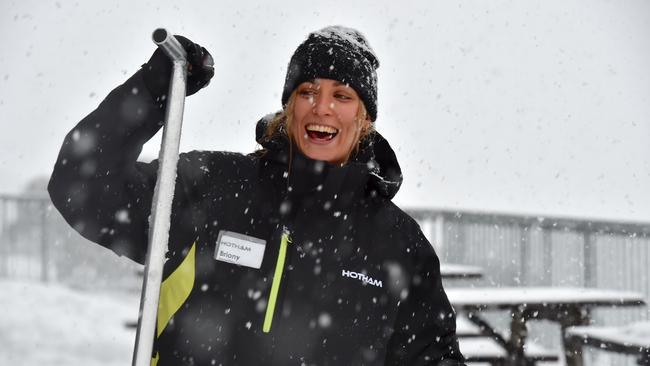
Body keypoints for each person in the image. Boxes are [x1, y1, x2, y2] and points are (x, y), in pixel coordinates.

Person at [48, 26, 465, 366]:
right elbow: (82, 188)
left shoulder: (398, 244)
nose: (321, 108)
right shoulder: (215, 187)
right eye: (307, 92)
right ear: (289, 107)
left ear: (364, 118)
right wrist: (154, 90)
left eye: (342, 96)